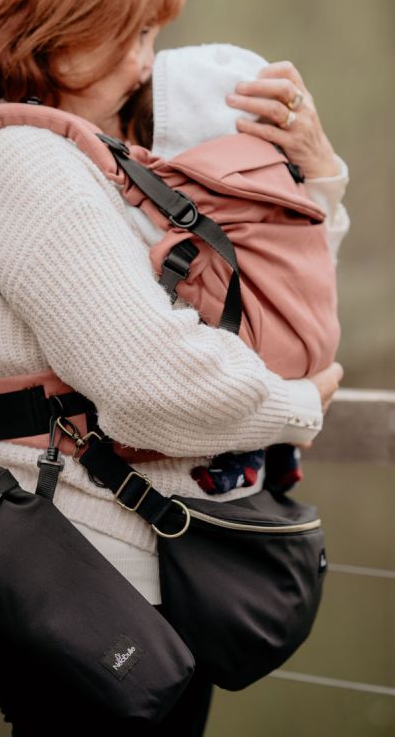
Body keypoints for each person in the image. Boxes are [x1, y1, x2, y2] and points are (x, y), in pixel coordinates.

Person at [0, 0, 344, 733]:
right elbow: (152, 387)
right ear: (49, 34)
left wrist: (315, 176)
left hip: (119, 569)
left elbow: (272, 311)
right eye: (134, 34)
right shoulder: (21, 162)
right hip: (92, 573)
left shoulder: (65, 160)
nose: (151, 64)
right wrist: (299, 403)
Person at [119, 42, 350, 495]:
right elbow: (318, 253)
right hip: (311, 348)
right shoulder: (288, 190)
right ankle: (279, 456)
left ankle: (242, 460)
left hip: (244, 377)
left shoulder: (172, 198)